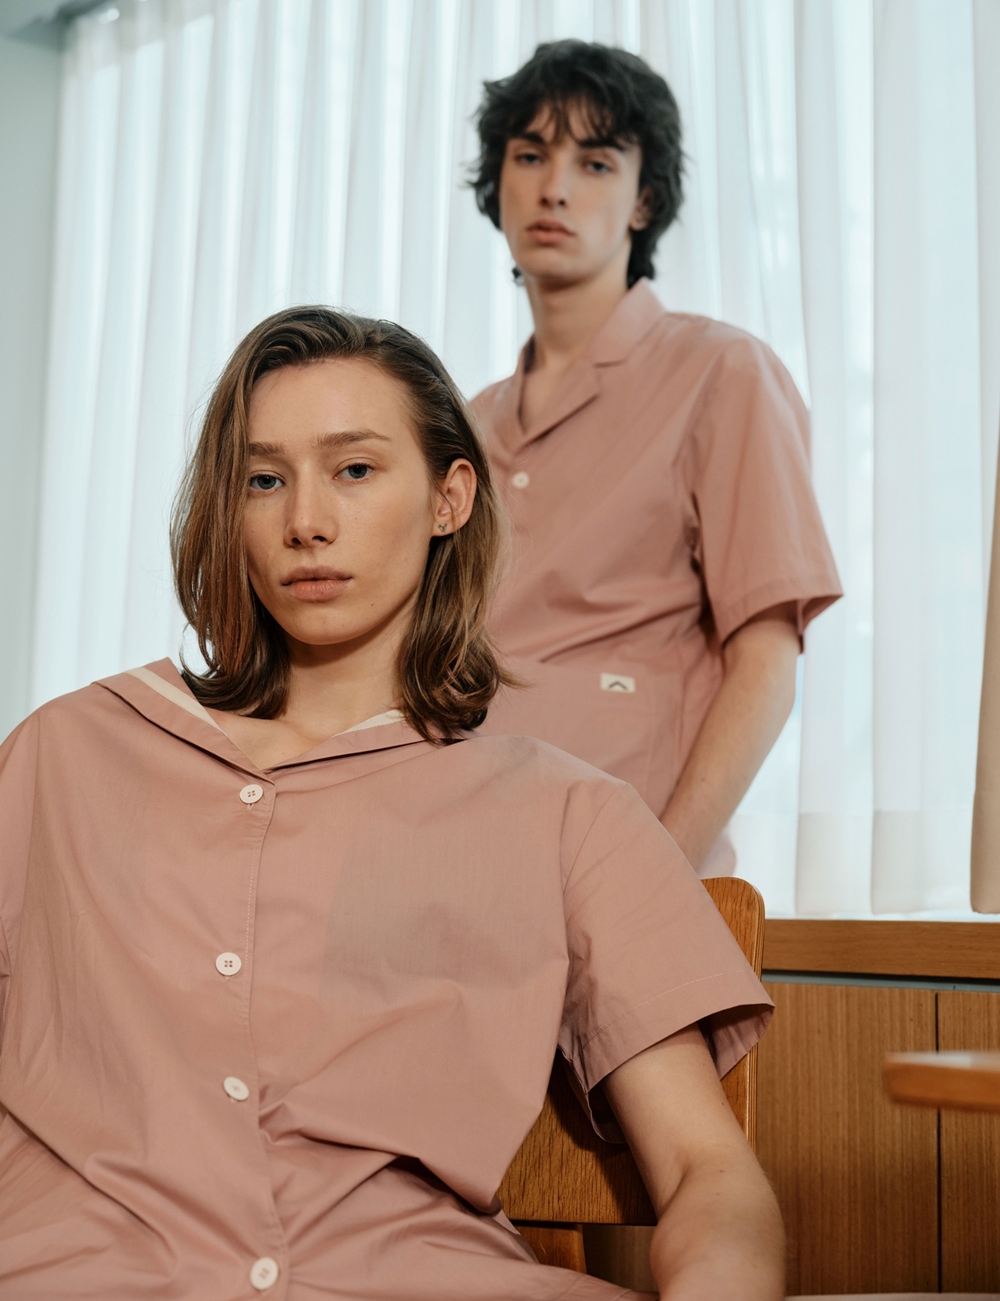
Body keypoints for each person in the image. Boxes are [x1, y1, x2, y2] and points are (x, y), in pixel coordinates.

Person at [0, 307, 782, 1299]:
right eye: (263, 479)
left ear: (450, 497)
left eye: (355, 469)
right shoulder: (64, 755)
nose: (306, 521)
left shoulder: (566, 814)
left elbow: (709, 1174)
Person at [470, 40, 842, 874]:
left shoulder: (722, 373)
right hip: (461, 860)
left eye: (596, 163)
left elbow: (766, 659)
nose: (554, 187)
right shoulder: (464, 423)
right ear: (498, 182)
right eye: (529, 155)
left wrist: (654, 878)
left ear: (645, 201)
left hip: (622, 865)